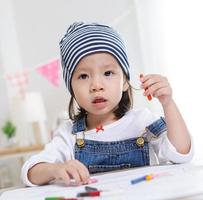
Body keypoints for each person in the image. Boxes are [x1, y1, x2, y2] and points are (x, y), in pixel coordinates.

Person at [21, 22, 193, 187]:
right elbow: (30, 172)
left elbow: (181, 153)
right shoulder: (69, 135)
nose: (96, 85)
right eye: (83, 76)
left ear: (125, 81)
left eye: (108, 72)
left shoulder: (143, 122)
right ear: (71, 88)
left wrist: (168, 103)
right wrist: (55, 169)